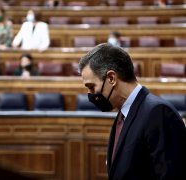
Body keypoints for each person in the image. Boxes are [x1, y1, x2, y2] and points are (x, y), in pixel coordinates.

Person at [78, 43, 186, 179]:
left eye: (92, 87)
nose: (90, 94)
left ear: (111, 78)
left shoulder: (158, 112)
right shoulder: (124, 114)